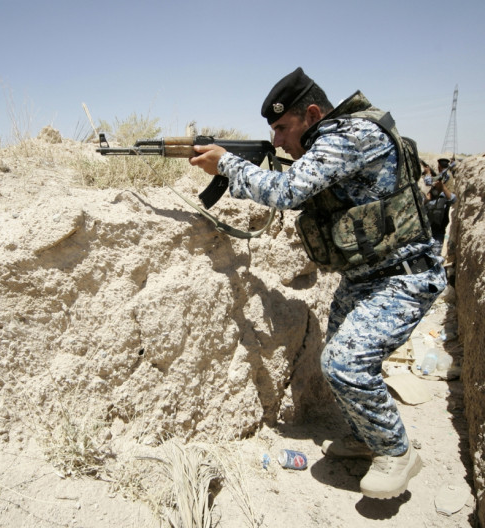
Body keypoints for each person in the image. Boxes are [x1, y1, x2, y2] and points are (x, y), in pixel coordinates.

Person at [189, 67, 447, 500]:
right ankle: (366, 437)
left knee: (345, 364)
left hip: (403, 277)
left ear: (311, 114)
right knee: (340, 357)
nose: (277, 141)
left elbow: (289, 191)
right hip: (365, 277)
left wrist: (227, 163)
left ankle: (396, 452)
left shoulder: (349, 136)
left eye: (282, 128)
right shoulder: (333, 142)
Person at [424, 162, 457, 256]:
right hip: (427, 233)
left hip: (438, 233)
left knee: (435, 257)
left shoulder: (444, 197)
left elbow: (453, 199)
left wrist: (443, 187)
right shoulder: (430, 196)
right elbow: (421, 204)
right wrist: (428, 197)